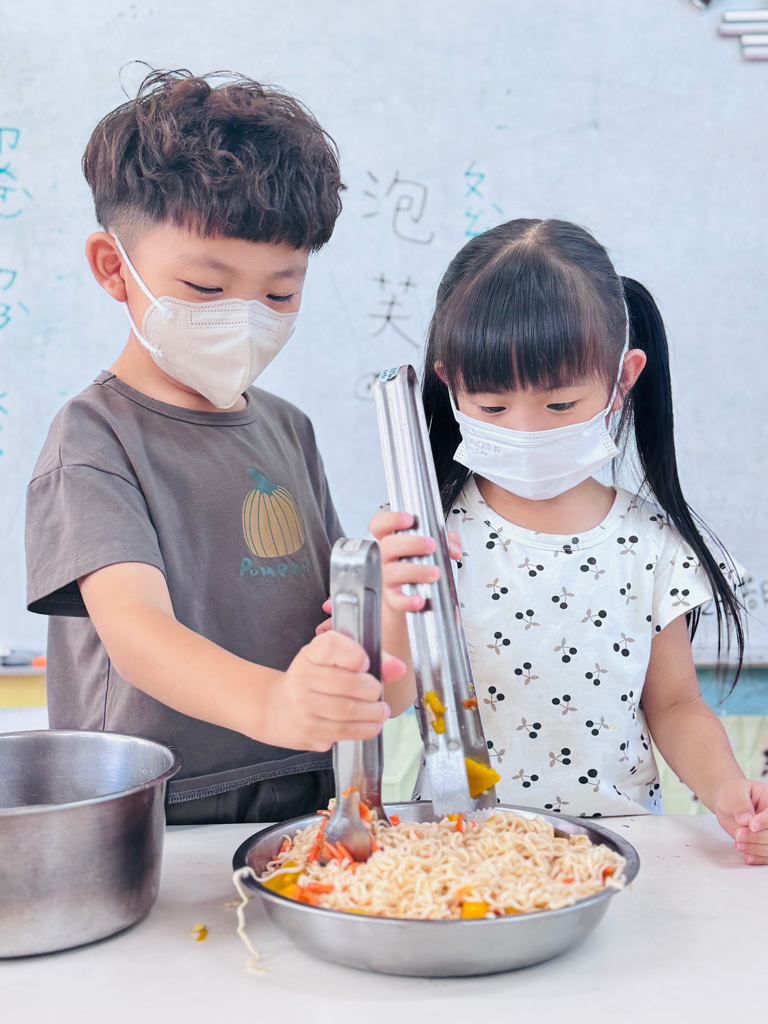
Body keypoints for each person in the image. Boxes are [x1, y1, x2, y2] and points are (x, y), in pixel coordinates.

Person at [25, 70, 408, 824]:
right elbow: (137, 631)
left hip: (306, 795)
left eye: (279, 294)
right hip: (153, 811)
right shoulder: (95, 437)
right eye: (206, 288)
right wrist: (274, 703)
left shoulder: (289, 429)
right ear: (114, 268)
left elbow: (333, 630)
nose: (245, 317)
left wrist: (387, 605)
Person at [371, 218, 768, 865]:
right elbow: (387, 701)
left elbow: (674, 704)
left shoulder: (651, 544)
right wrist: (391, 601)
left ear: (622, 379)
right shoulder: (425, 532)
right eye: (493, 407)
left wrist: (728, 791)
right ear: (450, 382)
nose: (526, 431)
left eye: (559, 406)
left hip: (615, 857)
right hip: (456, 858)